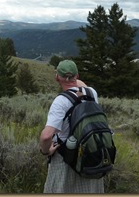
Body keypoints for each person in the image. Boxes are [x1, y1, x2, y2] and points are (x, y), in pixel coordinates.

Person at [39, 59, 104, 193]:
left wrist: (45, 151)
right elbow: (79, 85)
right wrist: (72, 79)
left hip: (66, 159)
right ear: (77, 76)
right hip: (89, 155)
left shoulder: (60, 101)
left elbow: (46, 136)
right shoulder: (91, 93)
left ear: (57, 77)